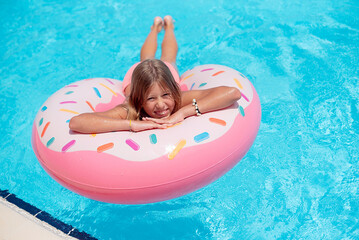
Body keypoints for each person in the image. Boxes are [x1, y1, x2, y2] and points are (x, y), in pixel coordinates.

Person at [69, 16, 241, 133]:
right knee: (145, 59)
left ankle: (169, 27)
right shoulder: (130, 108)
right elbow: (76, 123)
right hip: (134, 77)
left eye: (166, 95)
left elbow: (232, 93)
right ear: (139, 99)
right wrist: (131, 124)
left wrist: (182, 112)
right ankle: (154, 29)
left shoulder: (178, 99)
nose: (161, 105)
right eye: (151, 99)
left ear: (173, 91)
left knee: (168, 58)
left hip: (166, 73)